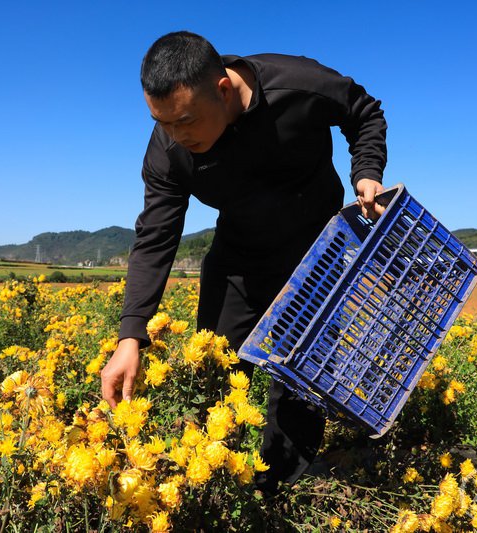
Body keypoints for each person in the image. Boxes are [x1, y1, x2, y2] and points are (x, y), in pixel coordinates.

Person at [101, 31, 388, 494]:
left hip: (317, 255)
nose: (176, 136)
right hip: (238, 260)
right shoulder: (169, 149)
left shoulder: (297, 85)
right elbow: (155, 237)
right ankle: (210, 489)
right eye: (163, 123)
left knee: (299, 386)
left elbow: (364, 111)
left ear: (223, 90)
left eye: (186, 121)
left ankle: (277, 493)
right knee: (213, 374)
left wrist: (367, 171)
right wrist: (130, 334)